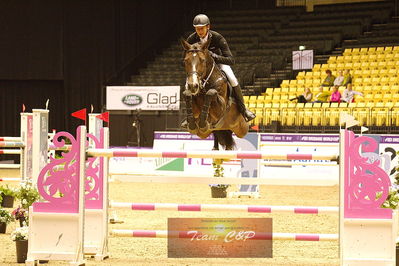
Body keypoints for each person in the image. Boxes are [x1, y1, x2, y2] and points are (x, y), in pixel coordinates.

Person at [184, 14, 255, 123]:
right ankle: (189, 116)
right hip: (200, 67)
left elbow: (231, 60)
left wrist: (214, 56)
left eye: (202, 28)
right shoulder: (191, 39)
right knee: (188, 83)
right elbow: (183, 60)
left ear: (208, 27)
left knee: (232, 79)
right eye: (197, 29)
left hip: (217, 64)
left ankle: (243, 109)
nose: (199, 31)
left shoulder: (217, 38)